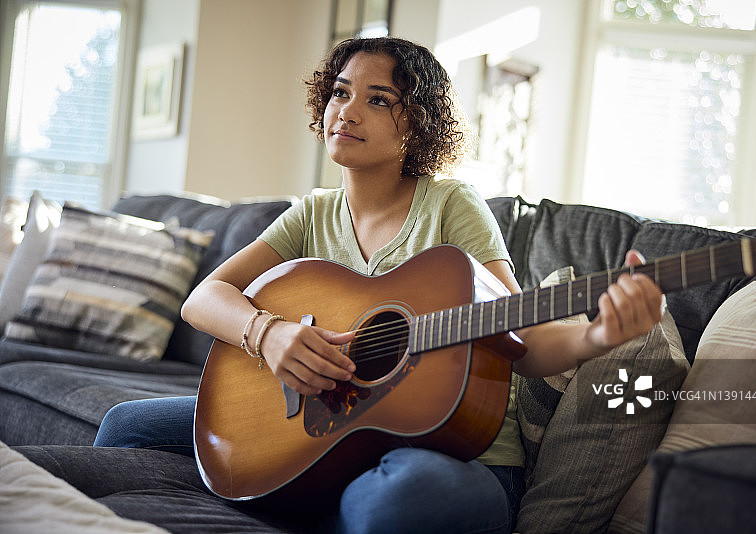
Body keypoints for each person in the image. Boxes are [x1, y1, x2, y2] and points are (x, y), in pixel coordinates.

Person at [94, 37, 664, 534]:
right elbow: (205, 297)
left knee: (387, 504)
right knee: (127, 424)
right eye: (340, 93)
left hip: (459, 459)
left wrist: (597, 337)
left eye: (378, 100)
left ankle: (284, 502)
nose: (347, 111)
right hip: (332, 440)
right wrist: (267, 335)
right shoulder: (312, 214)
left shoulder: (451, 205)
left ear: (416, 124)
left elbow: (519, 338)